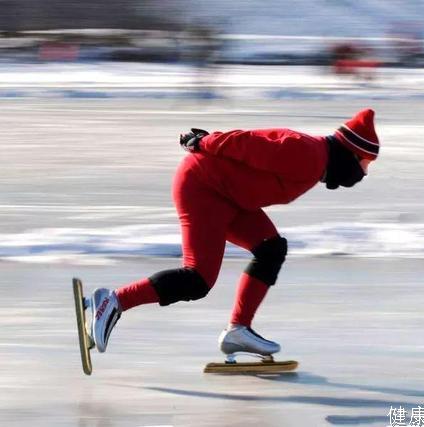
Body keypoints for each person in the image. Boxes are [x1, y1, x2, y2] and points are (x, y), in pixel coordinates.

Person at [88, 108, 380, 360]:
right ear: (350, 154)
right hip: (203, 187)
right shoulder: (308, 155)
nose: (365, 174)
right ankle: (113, 302)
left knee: (271, 248)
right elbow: (248, 143)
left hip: (231, 197)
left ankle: (238, 331)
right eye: (365, 163)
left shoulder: (316, 160)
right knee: (198, 278)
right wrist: (206, 141)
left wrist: (208, 140)